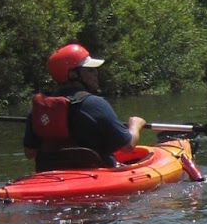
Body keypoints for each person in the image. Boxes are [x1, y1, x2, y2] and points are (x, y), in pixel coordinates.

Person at [24, 43, 146, 171]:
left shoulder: (39, 109)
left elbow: (30, 153)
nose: (96, 73)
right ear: (73, 75)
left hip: (51, 175)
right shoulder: (95, 104)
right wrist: (135, 125)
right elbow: (127, 146)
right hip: (95, 176)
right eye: (90, 70)